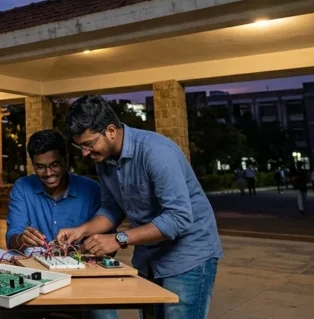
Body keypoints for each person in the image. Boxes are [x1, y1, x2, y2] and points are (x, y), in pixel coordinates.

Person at [57, 95, 222, 319]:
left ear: (111, 131)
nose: (85, 153)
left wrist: (117, 239)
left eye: (89, 144)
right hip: (149, 257)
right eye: (80, 146)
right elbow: (111, 208)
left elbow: (179, 218)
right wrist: (82, 230)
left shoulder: (156, 152)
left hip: (188, 257)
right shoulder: (103, 160)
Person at [3, 130, 118, 319]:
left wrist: (94, 247)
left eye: (54, 165)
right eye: (40, 167)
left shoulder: (91, 190)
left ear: (65, 160)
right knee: (8, 314)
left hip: (84, 280)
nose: (48, 173)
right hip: (34, 278)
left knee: (105, 316)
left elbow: (109, 246)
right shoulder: (23, 187)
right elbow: (12, 237)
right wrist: (22, 239)